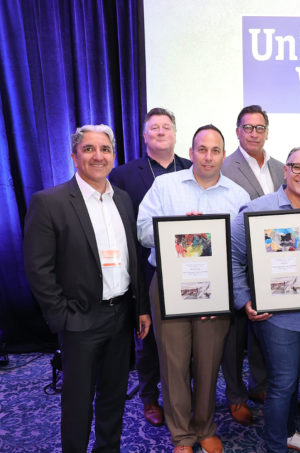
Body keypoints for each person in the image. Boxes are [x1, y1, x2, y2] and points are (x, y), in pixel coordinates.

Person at [23, 124, 151, 452]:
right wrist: (63, 317)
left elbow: (133, 258)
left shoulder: (123, 199)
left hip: (121, 316)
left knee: (113, 397)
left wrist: (140, 308)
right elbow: (39, 269)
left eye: (105, 149)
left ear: (113, 156)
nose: (98, 156)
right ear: (74, 156)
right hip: (79, 320)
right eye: (89, 149)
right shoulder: (49, 202)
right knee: (78, 403)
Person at [137, 124, 250, 453]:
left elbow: (243, 248)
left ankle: (205, 426)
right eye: (202, 149)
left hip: (215, 287)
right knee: (173, 363)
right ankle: (182, 436)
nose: (208, 156)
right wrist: (181, 231)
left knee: (209, 360)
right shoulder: (165, 186)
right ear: (191, 153)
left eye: (215, 150)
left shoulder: (238, 195)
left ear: (224, 155)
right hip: (170, 283)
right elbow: (143, 232)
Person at [231, 147, 300, 453]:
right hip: (276, 316)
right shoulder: (257, 210)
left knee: (292, 380)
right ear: (285, 171)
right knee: (283, 382)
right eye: (296, 167)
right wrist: (244, 300)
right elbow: (232, 258)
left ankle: (287, 433)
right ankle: (276, 445)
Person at [109, 107, 192, 427]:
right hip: (145, 266)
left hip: (190, 263)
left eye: (166, 127)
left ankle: (183, 394)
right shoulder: (124, 175)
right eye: (154, 127)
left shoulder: (191, 168)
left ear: (175, 134)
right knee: (149, 337)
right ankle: (149, 397)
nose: (160, 131)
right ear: (144, 135)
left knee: (188, 337)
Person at [220, 104, 285, 425]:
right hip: (236, 262)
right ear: (237, 132)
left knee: (263, 328)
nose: (254, 133)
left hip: (271, 262)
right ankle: (235, 396)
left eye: (260, 128)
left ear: (267, 132)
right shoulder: (224, 167)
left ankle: (259, 385)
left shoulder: (281, 168)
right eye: (248, 127)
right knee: (234, 337)